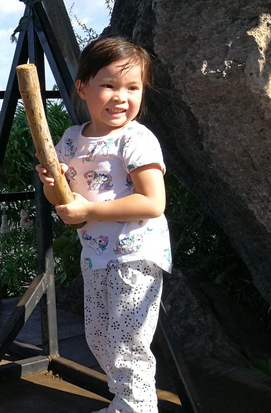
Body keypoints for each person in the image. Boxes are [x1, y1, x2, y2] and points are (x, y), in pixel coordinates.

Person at [36, 36, 171, 413]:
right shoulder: (69, 140)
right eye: (108, 85)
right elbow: (62, 203)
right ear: (82, 87)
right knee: (99, 337)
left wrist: (88, 212)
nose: (120, 97)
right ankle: (124, 403)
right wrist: (53, 184)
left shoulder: (136, 138)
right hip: (96, 256)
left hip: (134, 255)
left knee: (127, 342)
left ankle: (138, 408)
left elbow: (153, 202)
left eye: (132, 87)